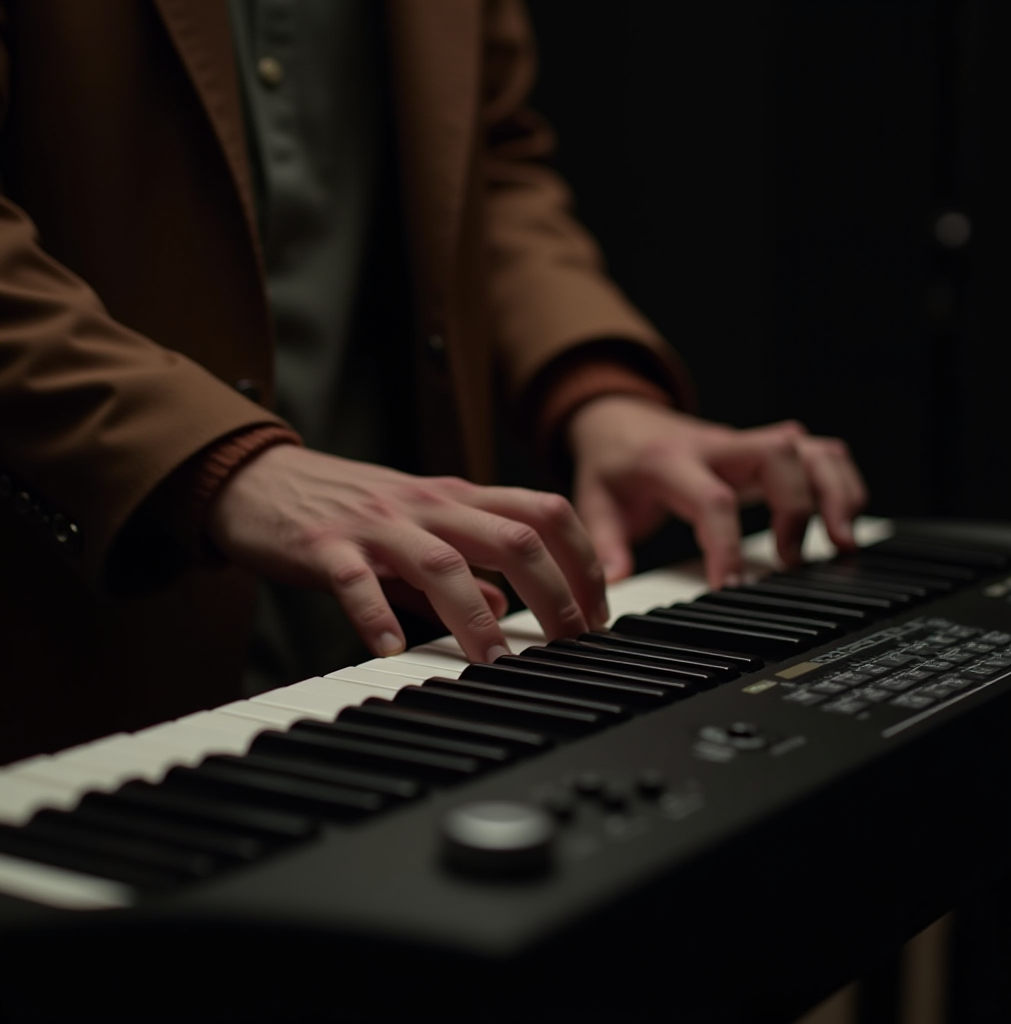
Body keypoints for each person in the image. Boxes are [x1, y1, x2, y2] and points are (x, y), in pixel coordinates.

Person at [0, 0, 865, 765]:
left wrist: (599, 391)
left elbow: (487, 169)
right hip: (81, 651)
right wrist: (215, 462)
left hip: (402, 653)